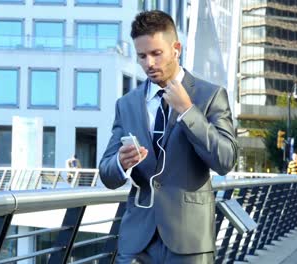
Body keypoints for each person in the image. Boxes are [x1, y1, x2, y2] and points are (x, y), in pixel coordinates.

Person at [99, 10, 237, 264]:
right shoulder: (127, 104)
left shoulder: (211, 95)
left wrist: (187, 111)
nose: (149, 63)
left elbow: (225, 160)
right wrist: (120, 162)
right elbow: (106, 173)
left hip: (189, 241)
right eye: (142, 56)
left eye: (156, 53)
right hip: (136, 242)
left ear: (176, 48)